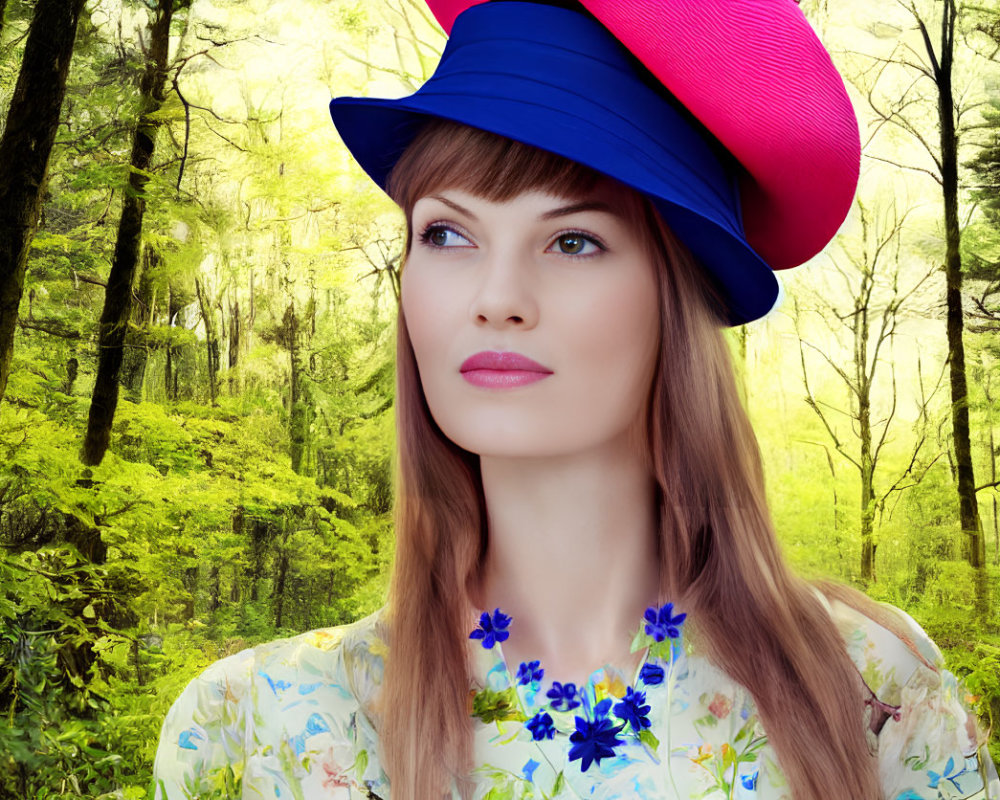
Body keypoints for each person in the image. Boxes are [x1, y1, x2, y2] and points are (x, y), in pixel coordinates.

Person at [150, 1, 999, 798]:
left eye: (573, 240)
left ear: (675, 298)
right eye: (447, 233)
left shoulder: (869, 688)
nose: (498, 295)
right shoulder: (256, 730)